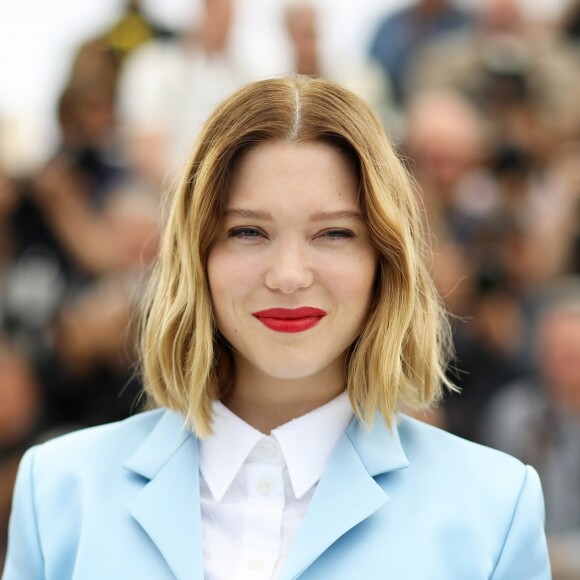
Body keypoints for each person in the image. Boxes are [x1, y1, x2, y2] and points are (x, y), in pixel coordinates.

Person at [3, 76, 549, 579]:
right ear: (197, 257)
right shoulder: (57, 491)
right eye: (248, 232)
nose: (288, 276)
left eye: (334, 234)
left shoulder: (495, 508)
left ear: (385, 260)